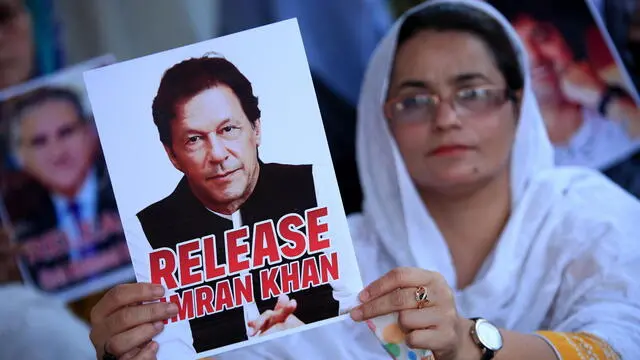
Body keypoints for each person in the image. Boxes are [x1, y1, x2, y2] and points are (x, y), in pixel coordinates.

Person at [88, 1, 640, 359]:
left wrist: (469, 343)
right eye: (416, 99)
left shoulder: (588, 216)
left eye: (472, 92)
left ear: (519, 108)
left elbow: (620, 344)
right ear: (382, 122)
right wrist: (143, 352)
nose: (447, 117)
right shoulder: (328, 248)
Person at [113, 54, 355, 358]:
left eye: (228, 129)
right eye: (194, 139)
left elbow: (356, 314)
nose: (217, 154)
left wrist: (310, 341)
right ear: (172, 155)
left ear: (256, 129)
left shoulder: (315, 186)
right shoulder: (147, 229)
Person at [3, 86, 130, 294]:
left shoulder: (132, 190)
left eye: (66, 132)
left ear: (90, 133)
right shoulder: (21, 224)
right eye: (39, 141)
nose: (57, 152)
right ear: (19, 156)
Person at [487, 0, 640, 170]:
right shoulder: (508, 157)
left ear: (567, 40)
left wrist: (605, 99)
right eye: (514, 51)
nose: (534, 57)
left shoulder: (620, 95)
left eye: (542, 37)